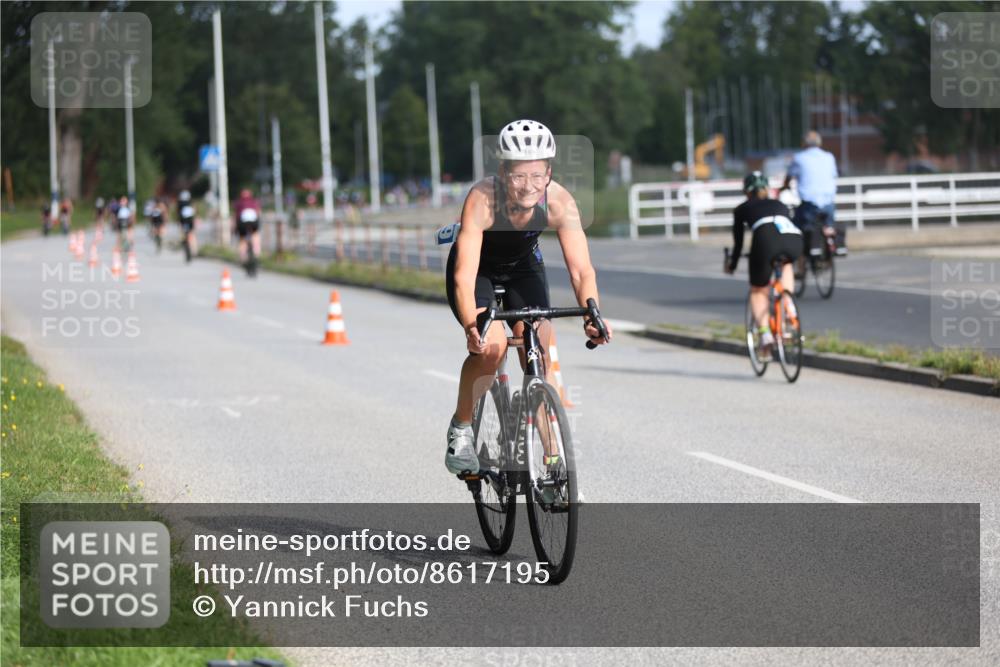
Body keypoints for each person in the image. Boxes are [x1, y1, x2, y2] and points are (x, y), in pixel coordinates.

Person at [444, 119, 612, 475]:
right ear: (503, 172)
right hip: (480, 271)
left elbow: (582, 270)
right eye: (519, 176)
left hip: (523, 266)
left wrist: (591, 314)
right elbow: (463, 275)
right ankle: (460, 431)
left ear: (549, 172)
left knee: (538, 351)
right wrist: (471, 324)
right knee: (491, 348)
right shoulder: (482, 200)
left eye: (537, 175)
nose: (528, 186)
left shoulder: (559, 202)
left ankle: (552, 459)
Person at [726, 172, 801, 357]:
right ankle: (787, 302)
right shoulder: (779, 204)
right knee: (786, 263)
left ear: (746, 191)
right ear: (767, 189)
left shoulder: (742, 208)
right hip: (793, 238)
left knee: (758, 291)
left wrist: (732, 264)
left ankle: (765, 334)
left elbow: (738, 243)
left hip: (766, 237)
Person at [781, 130, 845, 257]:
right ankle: (831, 238)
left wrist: (785, 187)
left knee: (795, 228)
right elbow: (834, 174)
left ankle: (799, 260)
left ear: (804, 144)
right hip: (828, 203)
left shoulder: (799, 158)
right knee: (829, 225)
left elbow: (789, 177)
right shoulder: (829, 157)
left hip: (809, 204)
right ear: (819, 143)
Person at [233, 188, 262, 276]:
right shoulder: (254, 202)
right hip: (253, 223)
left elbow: (236, 216)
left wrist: (234, 228)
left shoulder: (238, 203)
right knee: (255, 237)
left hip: (242, 223)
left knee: (242, 241)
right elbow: (258, 213)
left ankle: (243, 258)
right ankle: (256, 254)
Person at [177, 190, 198, 262]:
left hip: (185, 223)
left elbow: (178, 215)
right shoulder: (191, 203)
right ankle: (194, 250)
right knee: (191, 235)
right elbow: (194, 213)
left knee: (186, 236)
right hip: (189, 222)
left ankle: (192, 249)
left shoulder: (180, 204)